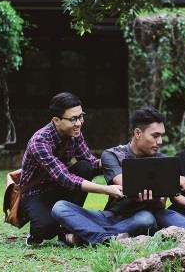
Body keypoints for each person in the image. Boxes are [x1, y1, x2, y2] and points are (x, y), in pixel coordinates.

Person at [52, 106, 185, 244]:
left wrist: (157, 195)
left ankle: (86, 238)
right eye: (155, 136)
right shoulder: (112, 155)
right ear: (137, 133)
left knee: (146, 219)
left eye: (161, 136)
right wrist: (173, 178)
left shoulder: (161, 160)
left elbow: (160, 205)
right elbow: (125, 184)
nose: (160, 141)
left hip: (142, 217)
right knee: (60, 207)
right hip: (112, 217)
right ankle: (109, 238)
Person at [20, 92, 123, 246]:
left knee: (85, 167)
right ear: (56, 120)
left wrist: (116, 160)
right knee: (46, 228)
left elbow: (91, 163)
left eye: (81, 117)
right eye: (73, 119)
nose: (79, 123)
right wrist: (106, 189)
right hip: (35, 192)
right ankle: (38, 233)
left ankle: (69, 223)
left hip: (58, 187)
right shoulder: (40, 141)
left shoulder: (75, 133)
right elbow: (65, 178)